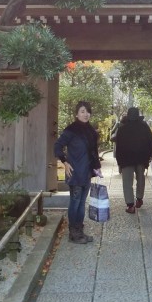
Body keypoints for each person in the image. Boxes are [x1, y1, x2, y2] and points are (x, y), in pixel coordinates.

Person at [54, 100, 102, 244]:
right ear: (76, 114)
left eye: (87, 111)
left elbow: (94, 151)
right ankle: (73, 234)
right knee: (75, 203)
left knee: (82, 204)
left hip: (86, 172)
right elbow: (57, 146)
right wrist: (64, 162)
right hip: (75, 172)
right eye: (82, 111)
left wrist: (97, 167)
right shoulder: (71, 130)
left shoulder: (91, 131)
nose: (86, 114)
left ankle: (79, 231)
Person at [114, 106, 152, 213]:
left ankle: (130, 205)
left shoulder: (122, 128)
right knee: (140, 179)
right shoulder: (144, 127)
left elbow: (118, 145)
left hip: (126, 159)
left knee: (127, 182)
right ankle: (139, 199)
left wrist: (119, 161)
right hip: (141, 157)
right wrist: (150, 154)